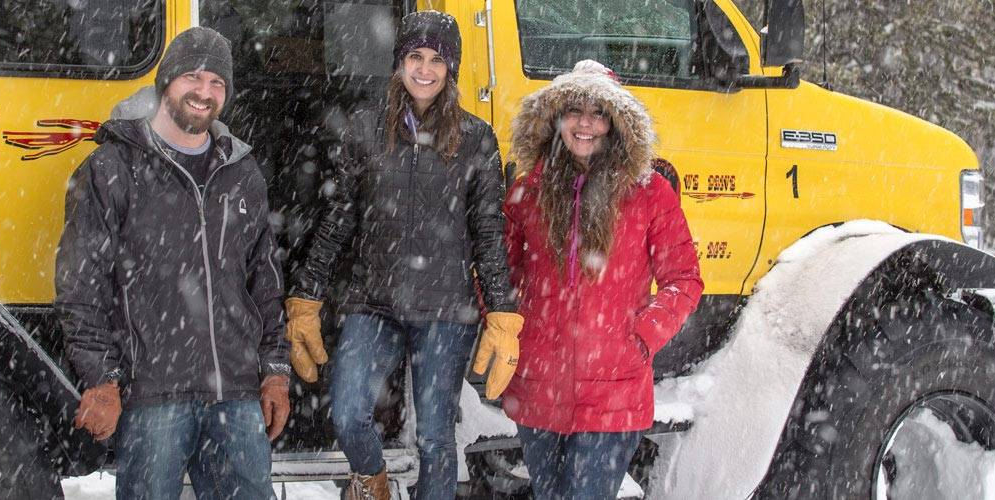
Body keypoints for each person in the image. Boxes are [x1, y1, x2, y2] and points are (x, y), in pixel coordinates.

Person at [284, 10, 523, 500]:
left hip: (444, 309)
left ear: (450, 68)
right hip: (373, 300)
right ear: (399, 62)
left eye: (437, 60)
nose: (425, 70)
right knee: (348, 411)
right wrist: (307, 295)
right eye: (415, 56)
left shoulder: (476, 139)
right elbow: (339, 219)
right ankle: (371, 479)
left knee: (435, 437)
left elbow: (487, 231)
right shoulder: (367, 128)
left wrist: (502, 310)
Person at [55, 27, 291, 500]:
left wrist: (275, 370)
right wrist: (102, 380)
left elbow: (263, 281)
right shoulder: (114, 168)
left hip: (236, 397)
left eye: (217, 83)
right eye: (193, 77)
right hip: (152, 398)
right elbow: (82, 284)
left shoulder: (241, 173)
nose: (204, 93)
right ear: (166, 83)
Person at [501, 60, 704, 499]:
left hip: (615, 389)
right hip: (539, 388)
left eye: (598, 113)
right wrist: (513, 328)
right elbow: (498, 271)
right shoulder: (527, 190)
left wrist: (641, 337)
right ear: (557, 119)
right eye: (575, 111)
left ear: (615, 123)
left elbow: (684, 279)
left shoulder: (650, 193)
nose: (586, 124)